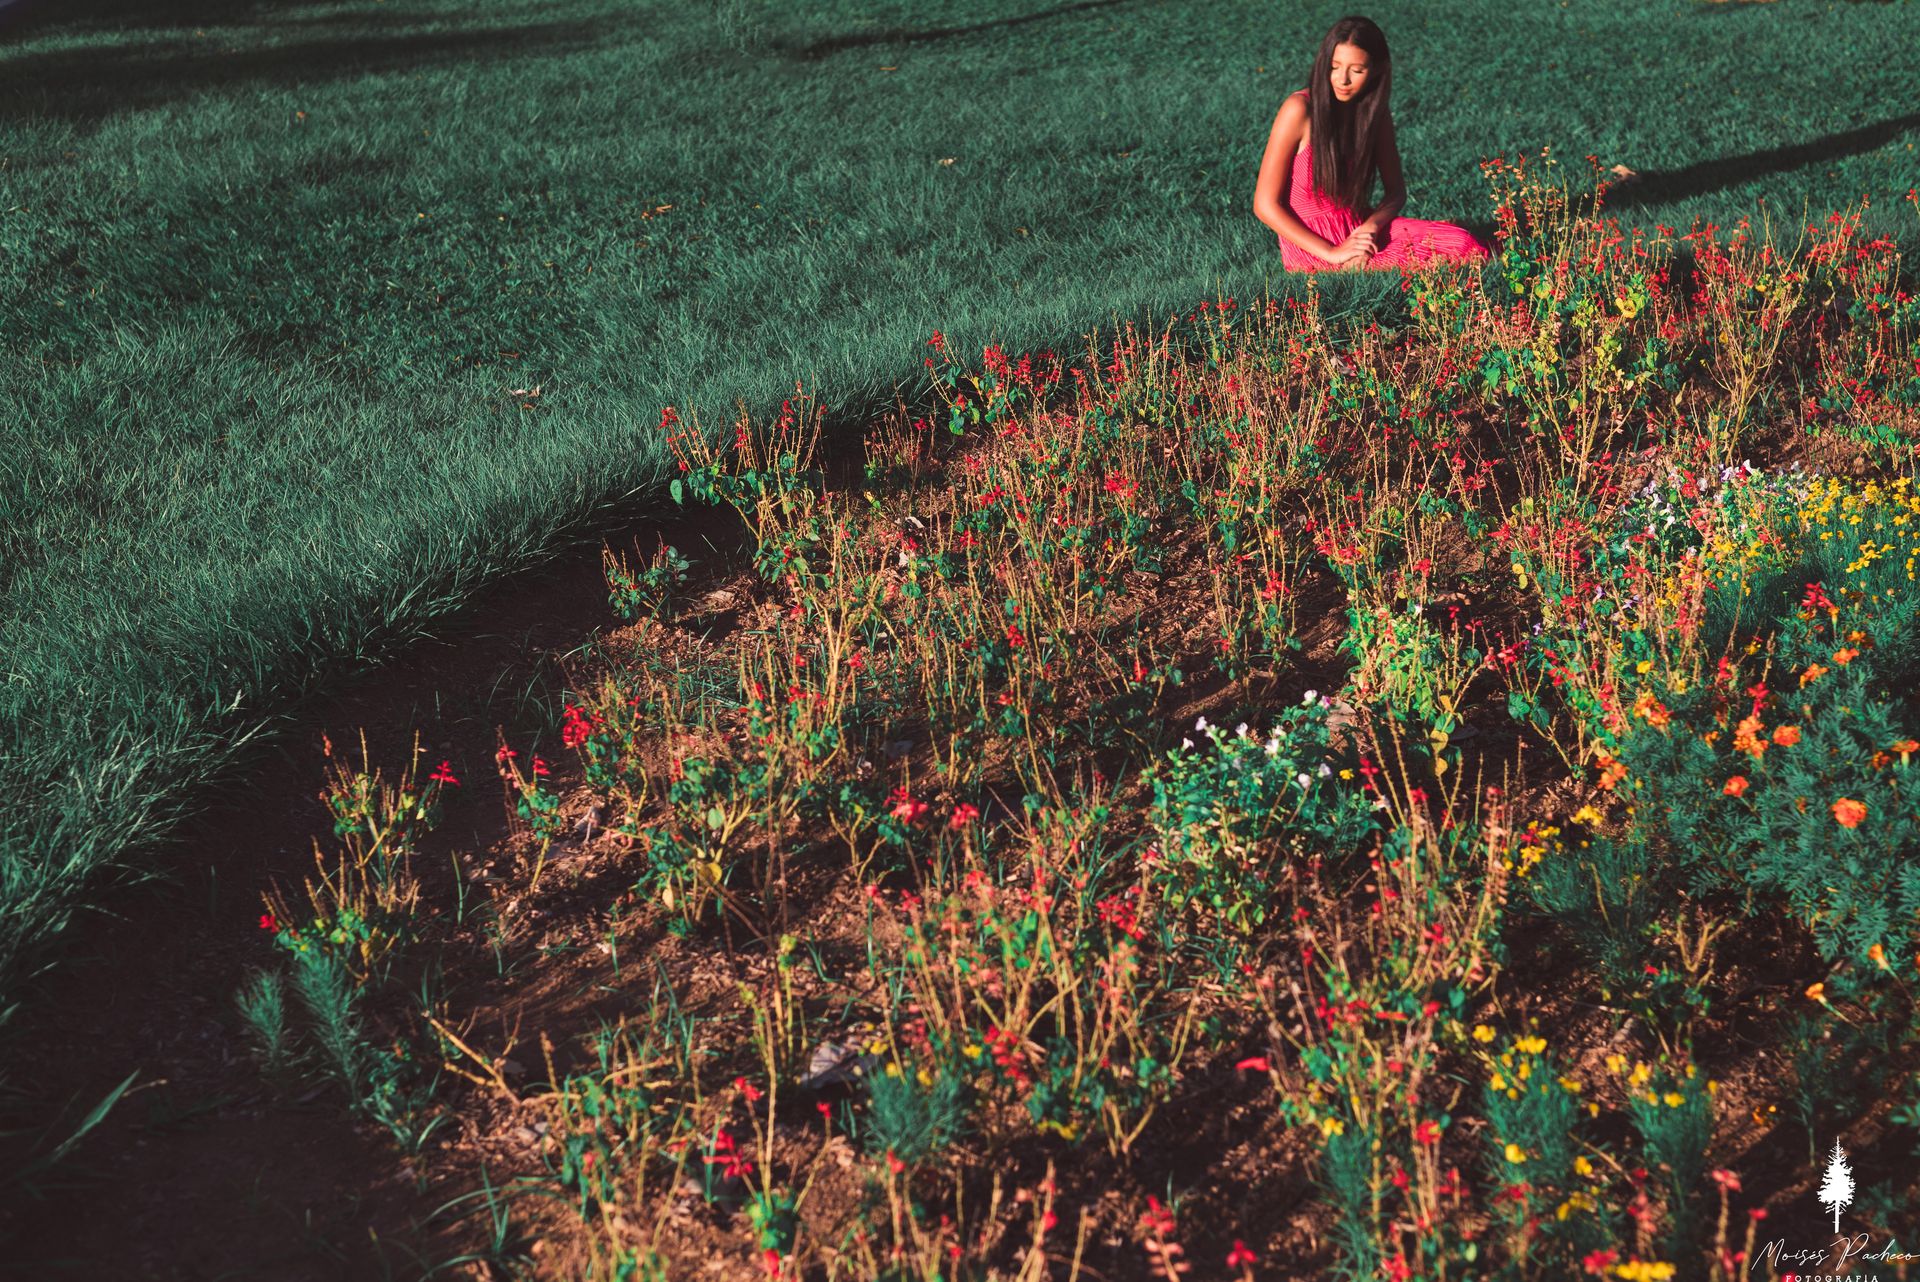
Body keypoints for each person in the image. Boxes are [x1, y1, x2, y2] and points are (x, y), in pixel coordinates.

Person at [1253, 16, 1491, 273]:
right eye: (1334, 67)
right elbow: (1265, 205)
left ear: (1376, 69)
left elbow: (1396, 191)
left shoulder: (1374, 114)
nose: (1342, 79)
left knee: (1463, 241)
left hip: (1359, 227)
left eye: (1356, 70)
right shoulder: (1299, 109)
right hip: (1313, 246)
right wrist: (1333, 253)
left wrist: (1371, 227)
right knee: (1455, 258)